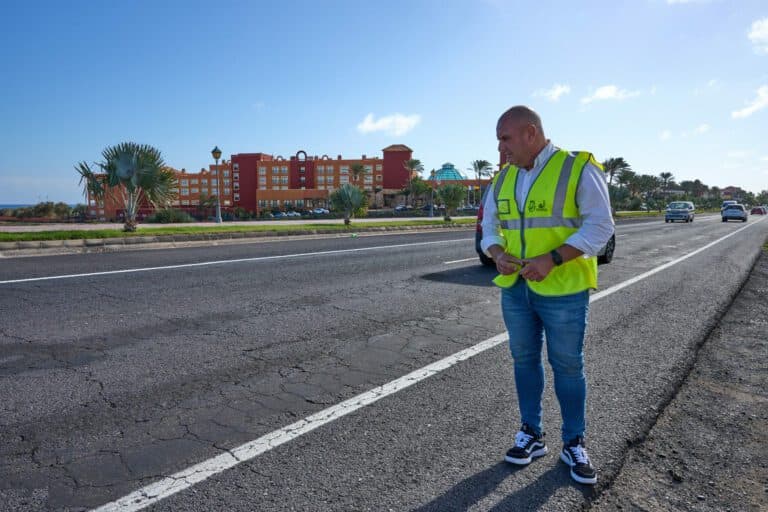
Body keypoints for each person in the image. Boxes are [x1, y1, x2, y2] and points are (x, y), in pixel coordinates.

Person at [481, 105, 614, 485]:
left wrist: (553, 259)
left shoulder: (576, 167)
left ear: (530, 133)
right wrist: (497, 253)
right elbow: (490, 225)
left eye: (505, 139)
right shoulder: (503, 178)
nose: (501, 149)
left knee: (568, 364)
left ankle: (574, 441)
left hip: (563, 289)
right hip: (517, 289)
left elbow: (601, 226)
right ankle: (531, 434)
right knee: (524, 361)